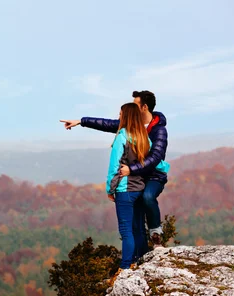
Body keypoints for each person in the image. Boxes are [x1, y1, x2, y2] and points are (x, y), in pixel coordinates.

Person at [61, 90, 169, 247]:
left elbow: (155, 158)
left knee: (147, 197)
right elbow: (106, 124)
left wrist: (131, 169)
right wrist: (81, 121)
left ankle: (155, 233)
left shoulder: (159, 130)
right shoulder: (132, 124)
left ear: (144, 107)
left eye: (135, 104)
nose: (131, 107)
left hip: (153, 175)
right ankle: (140, 254)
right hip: (136, 177)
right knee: (135, 220)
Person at [106, 103, 169, 280]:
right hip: (140, 187)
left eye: (120, 114)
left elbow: (114, 167)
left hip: (124, 189)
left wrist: (110, 189)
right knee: (139, 228)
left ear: (126, 116)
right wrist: (165, 167)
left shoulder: (122, 137)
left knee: (126, 230)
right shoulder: (143, 137)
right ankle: (141, 260)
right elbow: (154, 160)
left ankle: (126, 266)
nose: (118, 116)